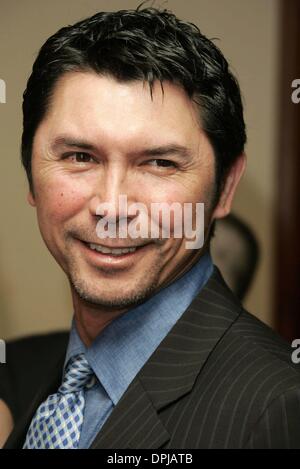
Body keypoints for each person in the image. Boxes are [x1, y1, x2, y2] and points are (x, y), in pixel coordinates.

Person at [2, 6, 300, 449]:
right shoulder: (18, 375)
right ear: (30, 171)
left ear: (225, 188)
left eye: (159, 163)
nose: (112, 205)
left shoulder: (275, 407)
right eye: (80, 157)